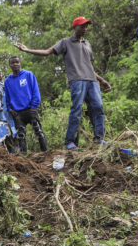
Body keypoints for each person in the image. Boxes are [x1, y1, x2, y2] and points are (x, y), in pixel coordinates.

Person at [15, 16, 112, 150]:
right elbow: (47, 52)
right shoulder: (65, 42)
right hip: (77, 81)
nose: (85, 29)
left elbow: (89, 66)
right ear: (75, 27)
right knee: (77, 109)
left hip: (92, 81)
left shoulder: (87, 44)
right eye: (82, 26)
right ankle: (70, 141)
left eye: (86, 26)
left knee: (98, 108)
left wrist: (102, 80)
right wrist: (27, 50)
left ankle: (98, 139)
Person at [3, 56, 47, 153]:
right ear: (10, 65)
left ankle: (46, 153)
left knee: (38, 131)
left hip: (30, 110)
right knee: (21, 136)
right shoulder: (7, 81)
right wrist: (10, 110)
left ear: (20, 63)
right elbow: (7, 98)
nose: (15, 64)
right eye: (13, 63)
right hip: (18, 113)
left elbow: (35, 91)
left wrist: (34, 106)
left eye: (17, 62)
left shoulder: (28, 75)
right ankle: (25, 159)